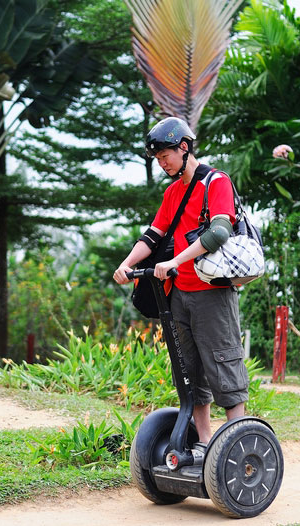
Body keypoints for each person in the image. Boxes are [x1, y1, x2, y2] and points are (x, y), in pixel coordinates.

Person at [113, 117, 248, 453]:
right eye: (157, 160)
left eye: (165, 157)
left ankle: (236, 445)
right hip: (179, 296)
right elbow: (153, 234)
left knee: (223, 362)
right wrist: (127, 264)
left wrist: (175, 261)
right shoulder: (173, 192)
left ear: (184, 147)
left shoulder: (216, 182)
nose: (162, 164)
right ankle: (204, 443)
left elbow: (219, 232)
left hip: (213, 293)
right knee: (188, 370)